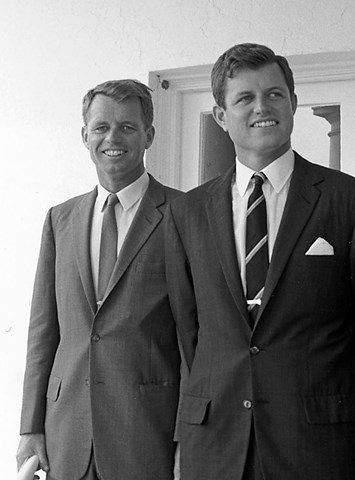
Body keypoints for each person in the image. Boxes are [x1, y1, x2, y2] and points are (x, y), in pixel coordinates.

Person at [165, 43, 355, 480]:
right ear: (221, 116)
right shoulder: (187, 213)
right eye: (244, 99)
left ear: (293, 102)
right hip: (219, 444)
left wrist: (331, 396)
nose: (261, 108)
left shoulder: (350, 200)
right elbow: (189, 330)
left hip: (323, 441)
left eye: (274, 94)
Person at [17, 79, 182, 480]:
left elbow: (194, 337)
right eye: (101, 127)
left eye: (127, 127)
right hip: (65, 435)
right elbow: (44, 332)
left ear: (149, 136)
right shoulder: (61, 219)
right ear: (85, 135)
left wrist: (189, 436)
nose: (113, 137)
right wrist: (30, 425)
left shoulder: (183, 214)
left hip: (146, 433)